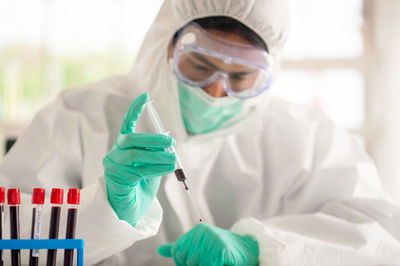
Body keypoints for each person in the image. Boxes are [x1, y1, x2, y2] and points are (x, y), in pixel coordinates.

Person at [1, 0, 400, 265]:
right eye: (199, 65)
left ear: (268, 73)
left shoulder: (311, 140)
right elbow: (10, 243)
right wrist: (103, 210)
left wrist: (258, 250)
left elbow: (380, 241)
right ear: (166, 49)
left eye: (241, 76)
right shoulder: (78, 115)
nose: (214, 90)